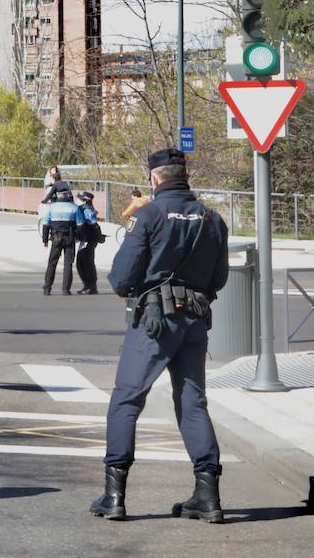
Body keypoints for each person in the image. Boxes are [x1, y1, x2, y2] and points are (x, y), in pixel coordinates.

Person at [91, 149, 228, 524]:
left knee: (127, 399)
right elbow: (218, 280)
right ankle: (208, 496)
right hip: (194, 320)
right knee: (193, 402)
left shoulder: (148, 215)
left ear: (154, 178)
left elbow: (121, 278)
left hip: (154, 322)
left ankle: (114, 496)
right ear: (184, 175)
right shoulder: (213, 219)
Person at [40, 186, 83, 295]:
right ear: (68, 195)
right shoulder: (74, 208)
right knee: (68, 264)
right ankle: (66, 289)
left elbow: (46, 225)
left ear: (57, 196)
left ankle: (47, 288)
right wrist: (81, 238)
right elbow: (80, 225)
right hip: (70, 238)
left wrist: (45, 240)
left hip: (56, 238)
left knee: (52, 263)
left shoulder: (51, 208)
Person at [74, 191, 104, 294]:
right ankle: (87, 285)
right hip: (86, 239)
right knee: (82, 263)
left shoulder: (86, 210)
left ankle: (91, 286)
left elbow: (94, 225)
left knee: (86, 263)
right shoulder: (83, 209)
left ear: (84, 201)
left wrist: (98, 237)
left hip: (88, 239)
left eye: (80, 199)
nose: (77, 200)